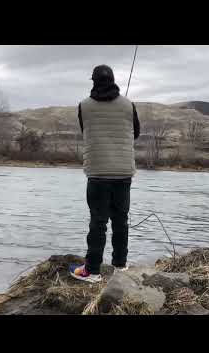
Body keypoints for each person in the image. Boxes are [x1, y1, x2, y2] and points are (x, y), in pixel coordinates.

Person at [69, 65, 140, 283]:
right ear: (113, 80)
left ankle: (92, 271)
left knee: (98, 222)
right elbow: (135, 133)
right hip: (123, 173)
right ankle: (120, 265)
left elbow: (85, 131)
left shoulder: (84, 106)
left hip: (98, 173)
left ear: (93, 81)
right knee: (121, 221)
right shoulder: (129, 105)